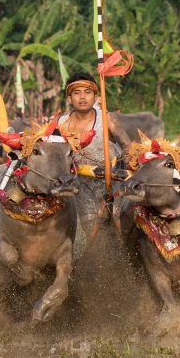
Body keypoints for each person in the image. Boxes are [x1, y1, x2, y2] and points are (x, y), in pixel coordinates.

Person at [59, 72, 121, 237]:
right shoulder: (61, 124)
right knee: (93, 232)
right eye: (76, 93)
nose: (82, 97)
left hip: (114, 179)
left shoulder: (106, 118)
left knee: (120, 223)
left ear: (95, 97)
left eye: (87, 92)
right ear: (70, 98)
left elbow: (128, 146)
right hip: (82, 184)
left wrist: (128, 164)